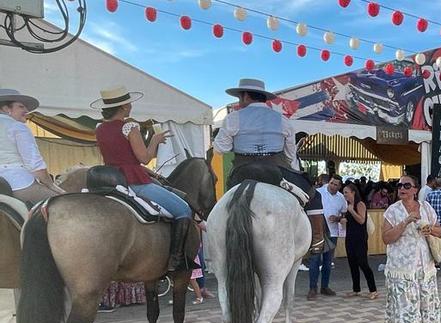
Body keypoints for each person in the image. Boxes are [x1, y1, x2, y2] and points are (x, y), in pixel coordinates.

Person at [213, 78, 325, 254]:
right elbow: (290, 156)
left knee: (223, 201)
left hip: (242, 171)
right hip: (276, 170)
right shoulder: (282, 120)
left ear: (246, 96)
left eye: (240, 97)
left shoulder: (232, 118)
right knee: (314, 195)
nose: (239, 101)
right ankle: (318, 240)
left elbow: (220, 148)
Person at [92, 86, 193, 271]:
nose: (131, 105)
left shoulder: (99, 128)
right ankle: (175, 259)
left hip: (111, 179)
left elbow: (118, 158)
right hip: (133, 181)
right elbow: (144, 158)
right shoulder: (130, 127)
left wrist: (147, 170)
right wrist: (155, 140)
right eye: (129, 103)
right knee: (183, 210)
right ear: (123, 107)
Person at [381, 174, 441, 323]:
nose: (402, 188)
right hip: (402, 270)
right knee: (407, 308)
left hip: (424, 269)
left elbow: (440, 232)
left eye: (407, 185)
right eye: (399, 185)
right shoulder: (393, 211)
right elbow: (387, 238)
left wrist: (429, 229)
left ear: (415, 189)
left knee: (421, 308)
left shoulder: (426, 208)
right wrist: (405, 221)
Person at [0, 89, 66, 204]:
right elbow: (34, 163)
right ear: (6, 109)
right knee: (64, 203)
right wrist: (51, 185)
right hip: (17, 183)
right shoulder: (17, 126)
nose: (26, 110)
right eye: (21, 106)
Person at [308, 175, 346, 300]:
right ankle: (312, 288)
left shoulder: (341, 199)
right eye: (331, 183)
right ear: (328, 182)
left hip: (333, 232)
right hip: (317, 232)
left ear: (340, 186)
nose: (333, 186)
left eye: (336, 185)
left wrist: (338, 218)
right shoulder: (318, 192)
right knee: (314, 260)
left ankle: (325, 287)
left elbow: (344, 215)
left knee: (328, 262)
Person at [341, 183, 378, 299]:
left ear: (353, 192)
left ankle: (373, 290)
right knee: (352, 263)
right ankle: (356, 289)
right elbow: (348, 221)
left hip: (360, 238)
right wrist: (342, 220)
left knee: (363, 263)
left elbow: (361, 220)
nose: (345, 195)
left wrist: (352, 211)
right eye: (344, 193)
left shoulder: (360, 204)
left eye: (346, 192)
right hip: (350, 237)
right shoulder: (348, 205)